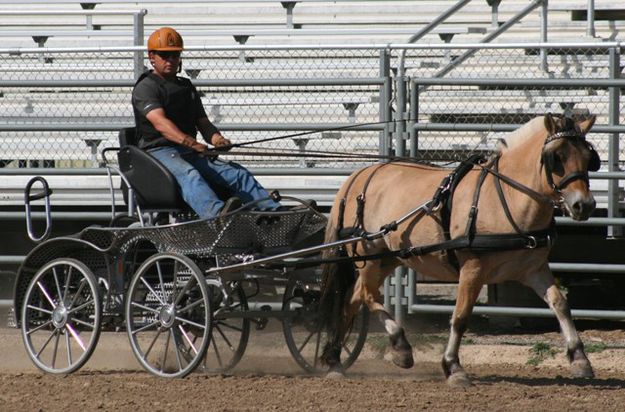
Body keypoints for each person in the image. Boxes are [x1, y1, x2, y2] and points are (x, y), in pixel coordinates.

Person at [131, 26, 280, 219]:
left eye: (175, 55)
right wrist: (192, 143)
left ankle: (275, 214)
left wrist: (217, 140)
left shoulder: (186, 86)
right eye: (164, 55)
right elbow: (161, 125)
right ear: (152, 57)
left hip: (187, 151)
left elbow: (203, 122)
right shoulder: (146, 88)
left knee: (236, 173)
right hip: (158, 153)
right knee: (190, 175)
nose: (170, 60)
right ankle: (218, 218)